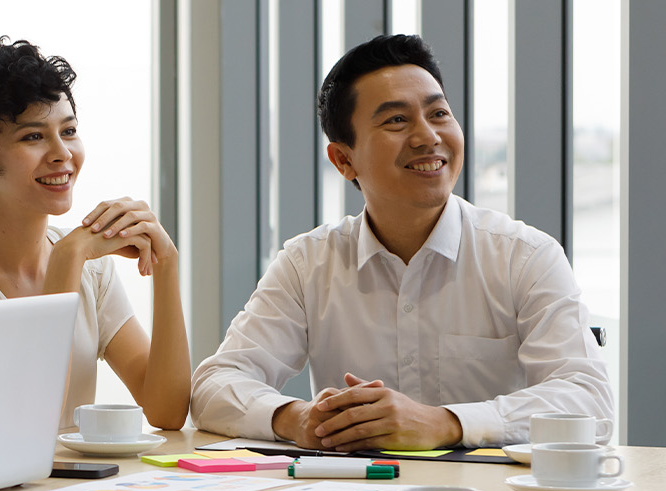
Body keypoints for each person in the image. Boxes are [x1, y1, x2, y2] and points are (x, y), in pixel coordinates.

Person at [190, 34, 613, 454]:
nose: (427, 137)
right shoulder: (309, 263)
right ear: (343, 159)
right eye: (396, 120)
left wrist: (447, 422)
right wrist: (295, 418)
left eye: (439, 113)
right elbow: (214, 385)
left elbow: (590, 403)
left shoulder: (525, 256)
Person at [0, 38, 190, 431]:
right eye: (33, 137)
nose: (62, 153)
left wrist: (167, 262)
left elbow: (167, 411)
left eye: (68, 130)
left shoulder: (92, 267)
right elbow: (36, 422)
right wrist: (67, 259)